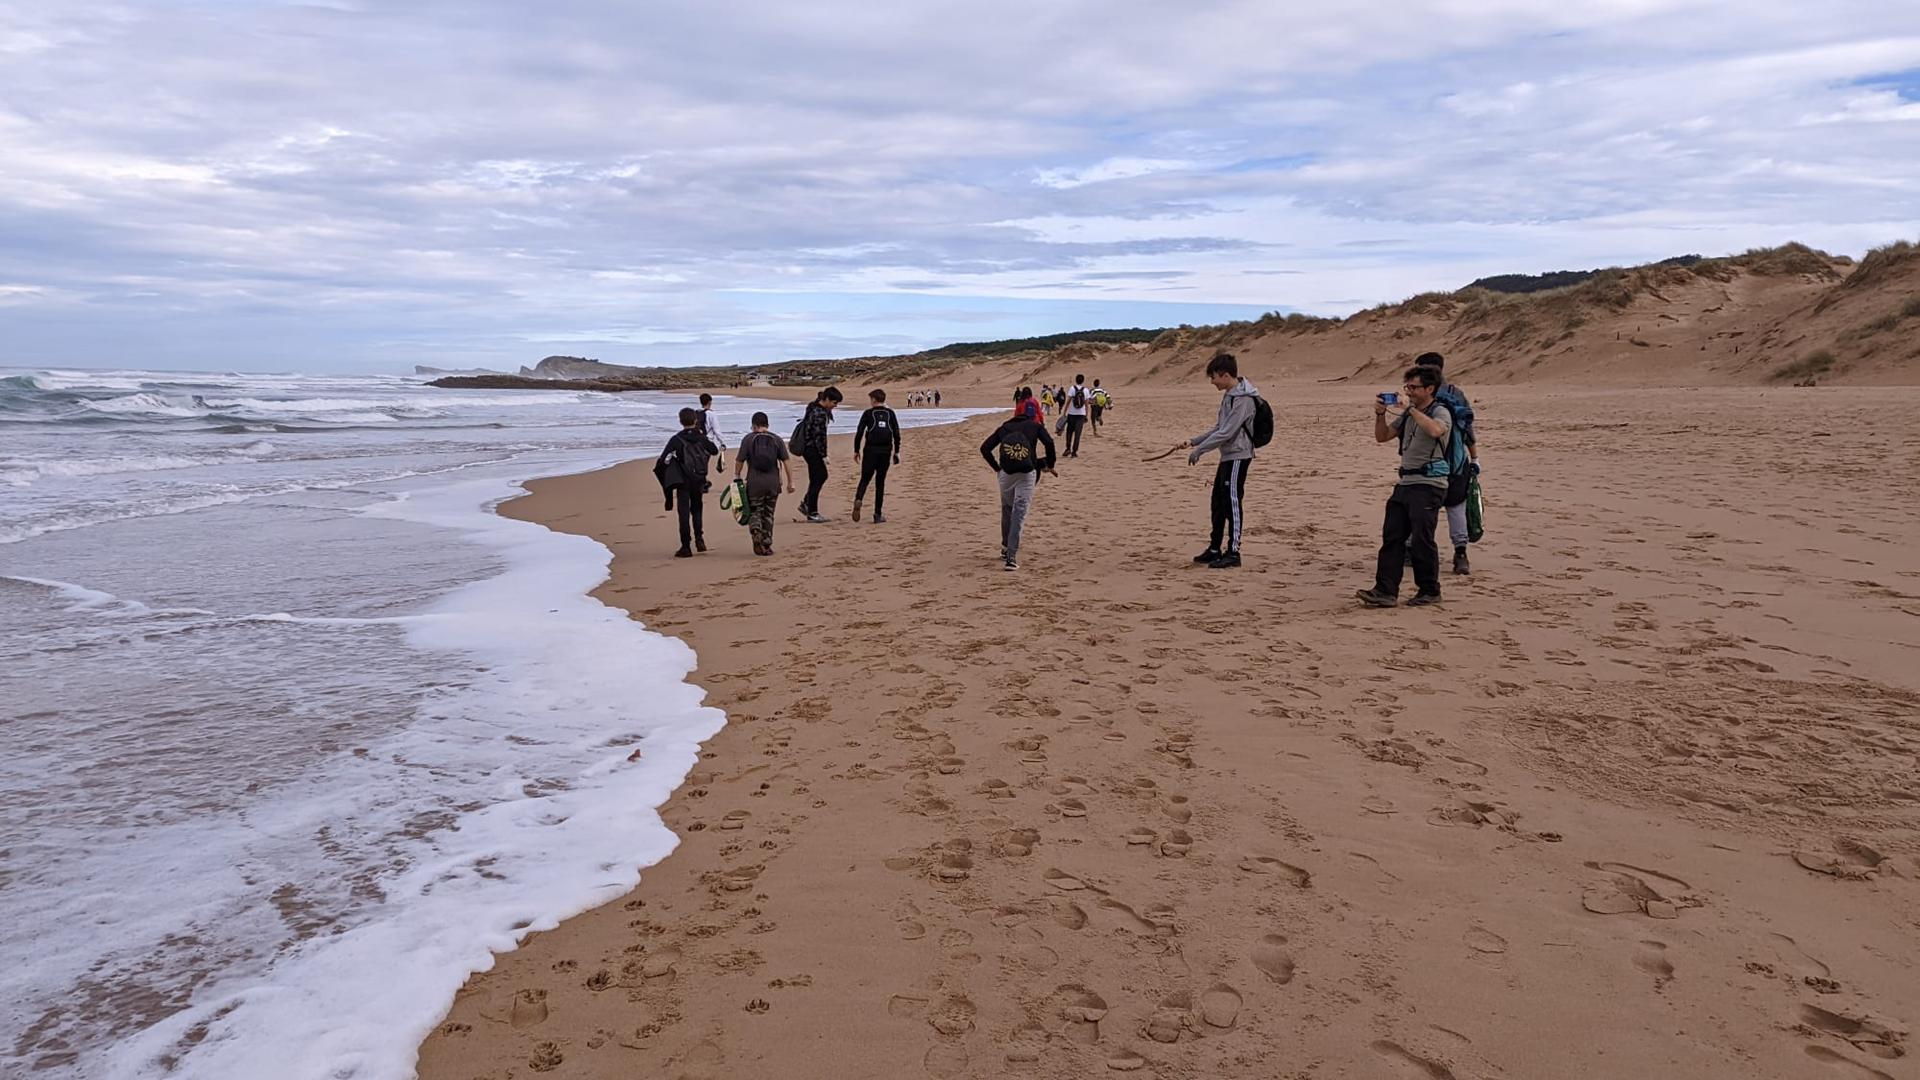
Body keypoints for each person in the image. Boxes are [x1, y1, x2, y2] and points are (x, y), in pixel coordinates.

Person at [1357, 365, 1454, 607]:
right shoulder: (1409, 415)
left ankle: (1429, 590)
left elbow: (1436, 430)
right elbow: (1382, 436)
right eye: (1407, 387)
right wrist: (1380, 414)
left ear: (1429, 389)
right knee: (1392, 536)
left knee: (1422, 539)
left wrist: (1409, 409)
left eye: (1414, 387)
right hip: (1406, 482)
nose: (1408, 392)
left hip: (1429, 484)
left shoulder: (1440, 411)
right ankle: (1385, 590)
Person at [1175, 352, 1260, 570]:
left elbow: (1227, 432)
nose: (1212, 382)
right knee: (1218, 502)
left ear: (1225, 375)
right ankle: (1214, 548)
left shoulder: (1243, 399)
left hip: (1239, 455)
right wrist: (1193, 442)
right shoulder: (1230, 396)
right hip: (1227, 455)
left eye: (1213, 377)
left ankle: (1234, 552)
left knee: (1232, 502)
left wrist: (1200, 450)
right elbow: (1219, 428)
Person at [1417, 352, 1480, 575]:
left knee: (1420, 508)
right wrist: (1474, 458)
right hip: (1457, 462)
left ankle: (1413, 550)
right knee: (1456, 507)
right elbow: (1467, 429)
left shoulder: (1421, 397)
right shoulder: (1456, 393)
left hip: (1428, 464)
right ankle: (1460, 554)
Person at [981, 394, 1058, 571]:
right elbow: (1049, 443)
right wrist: (1049, 464)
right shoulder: (1035, 426)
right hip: (1027, 474)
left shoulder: (1005, 427)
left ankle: (1005, 547)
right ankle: (1011, 557)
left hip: (1006, 474)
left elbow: (985, 448)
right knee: (1019, 513)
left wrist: (997, 468)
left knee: (1007, 510)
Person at [655, 407, 719, 558]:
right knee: (697, 508)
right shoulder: (701, 437)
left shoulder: (676, 439)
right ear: (696, 420)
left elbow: (663, 459)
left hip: (683, 480)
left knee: (683, 512)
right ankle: (699, 539)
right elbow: (714, 450)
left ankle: (686, 546)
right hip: (699, 478)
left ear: (680, 421)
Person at [735, 411, 794, 556]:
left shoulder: (748, 439)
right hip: (773, 483)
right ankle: (767, 545)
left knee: (755, 510)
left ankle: (756, 530)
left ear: (754, 425)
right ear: (767, 424)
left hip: (754, 483)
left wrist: (737, 476)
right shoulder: (776, 439)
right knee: (769, 513)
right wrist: (790, 482)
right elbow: (786, 461)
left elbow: (739, 460)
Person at [852, 388, 903, 523]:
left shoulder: (868, 413)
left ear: (874, 399)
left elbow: (859, 432)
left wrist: (856, 450)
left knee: (865, 479)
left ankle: (858, 499)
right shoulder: (890, 413)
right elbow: (896, 433)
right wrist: (897, 451)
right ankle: (877, 514)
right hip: (885, 451)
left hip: (870, 450)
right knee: (880, 482)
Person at [793, 386, 842, 522]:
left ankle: (807, 504)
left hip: (808, 448)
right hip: (812, 449)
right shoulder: (819, 413)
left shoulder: (813, 407)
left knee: (818, 477)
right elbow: (819, 437)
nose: (835, 406)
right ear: (827, 399)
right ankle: (812, 512)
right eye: (834, 403)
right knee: (819, 477)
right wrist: (823, 455)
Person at [697, 393, 727, 472]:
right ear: (710, 402)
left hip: (696, 442)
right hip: (707, 442)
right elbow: (716, 430)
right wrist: (722, 442)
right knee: (704, 464)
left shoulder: (696, 412)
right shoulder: (711, 414)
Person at [1063, 374, 1090, 457]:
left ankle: (1068, 448)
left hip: (1071, 414)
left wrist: (1064, 411)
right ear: (1083, 380)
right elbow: (1086, 404)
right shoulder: (1086, 390)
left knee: (1069, 432)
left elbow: (1068, 401)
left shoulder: (1072, 388)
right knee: (1077, 434)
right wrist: (1086, 415)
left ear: (1076, 380)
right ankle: (1074, 452)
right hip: (1081, 415)